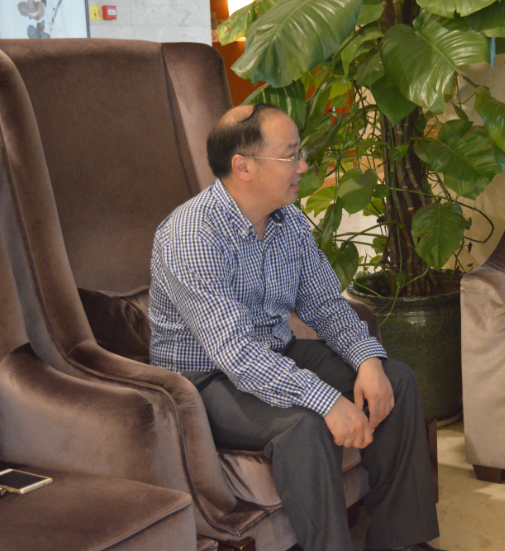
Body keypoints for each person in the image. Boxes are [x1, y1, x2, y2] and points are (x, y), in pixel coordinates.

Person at [148, 104, 441, 551]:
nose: (303, 166)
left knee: (395, 381)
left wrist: (367, 361)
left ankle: (400, 544)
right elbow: (236, 354)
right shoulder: (191, 235)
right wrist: (327, 400)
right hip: (204, 382)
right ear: (243, 166)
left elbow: (326, 304)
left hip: (274, 353)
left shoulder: (289, 222)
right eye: (290, 155)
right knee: (303, 427)